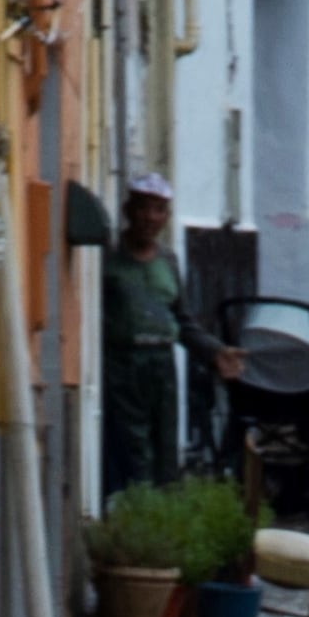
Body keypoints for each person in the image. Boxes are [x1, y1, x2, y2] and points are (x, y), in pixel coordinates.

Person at [98, 174, 195, 489]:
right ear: (128, 210)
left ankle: (163, 517)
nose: (150, 218)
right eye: (143, 208)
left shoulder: (168, 260)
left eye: (159, 210)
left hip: (161, 362)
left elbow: (182, 318)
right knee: (133, 447)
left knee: (166, 446)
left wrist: (215, 352)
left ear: (166, 217)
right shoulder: (109, 257)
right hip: (124, 363)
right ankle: (137, 510)